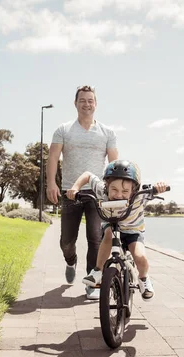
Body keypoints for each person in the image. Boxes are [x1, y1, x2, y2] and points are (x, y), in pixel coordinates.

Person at [46, 85, 118, 300]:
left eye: (90, 100)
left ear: (96, 103)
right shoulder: (64, 130)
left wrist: (115, 190)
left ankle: (91, 281)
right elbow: (52, 158)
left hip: (98, 193)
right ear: (75, 103)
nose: (87, 104)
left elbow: (114, 163)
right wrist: (52, 183)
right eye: (82, 100)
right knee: (66, 241)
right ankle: (70, 260)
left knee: (96, 238)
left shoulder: (107, 132)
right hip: (71, 191)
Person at [66, 160, 168, 301]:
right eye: (114, 189)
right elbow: (88, 175)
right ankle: (97, 271)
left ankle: (144, 279)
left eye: (125, 191)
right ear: (107, 186)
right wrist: (75, 187)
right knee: (107, 235)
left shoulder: (140, 195)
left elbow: (156, 188)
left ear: (134, 190)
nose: (119, 195)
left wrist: (159, 186)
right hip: (111, 226)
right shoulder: (102, 190)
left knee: (140, 256)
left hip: (133, 231)